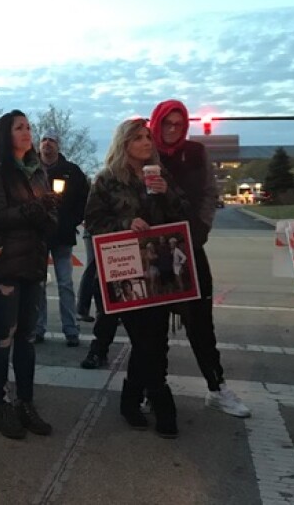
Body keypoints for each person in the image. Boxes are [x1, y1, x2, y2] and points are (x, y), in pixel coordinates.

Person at [84, 118, 188, 438]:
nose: (147, 142)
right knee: (144, 337)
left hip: (158, 268)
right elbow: (92, 222)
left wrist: (167, 194)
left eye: (148, 137)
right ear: (124, 143)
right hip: (124, 267)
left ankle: (133, 397)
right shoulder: (106, 180)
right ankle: (160, 397)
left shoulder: (160, 175)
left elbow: (182, 213)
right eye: (139, 138)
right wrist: (126, 225)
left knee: (155, 337)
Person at [150, 99, 250, 418]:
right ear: (156, 122)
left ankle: (216, 386)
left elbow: (209, 192)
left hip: (190, 244)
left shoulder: (195, 152)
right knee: (152, 326)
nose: (172, 130)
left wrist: (201, 229)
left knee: (200, 322)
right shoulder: (142, 151)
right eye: (167, 123)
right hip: (152, 248)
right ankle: (154, 389)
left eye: (178, 124)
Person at [0, 111, 57, 439]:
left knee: (26, 338)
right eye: (19, 127)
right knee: (3, 337)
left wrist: (48, 216)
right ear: (5, 134)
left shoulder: (39, 172)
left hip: (32, 265)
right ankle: (2, 404)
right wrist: (36, 210)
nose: (27, 132)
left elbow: (52, 219)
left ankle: (26, 402)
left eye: (28, 127)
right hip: (2, 264)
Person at [34, 132, 89, 347]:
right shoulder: (32, 170)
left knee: (65, 283)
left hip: (63, 235)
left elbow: (83, 200)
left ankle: (71, 329)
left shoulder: (71, 172)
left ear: (58, 146)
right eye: (44, 140)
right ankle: (38, 327)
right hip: (38, 235)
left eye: (52, 141)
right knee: (38, 284)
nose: (47, 144)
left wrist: (71, 221)